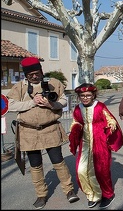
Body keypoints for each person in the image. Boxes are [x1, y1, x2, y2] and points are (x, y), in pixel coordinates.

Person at [6, 57, 79, 209]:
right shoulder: (19, 87)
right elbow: (10, 105)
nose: (34, 76)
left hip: (50, 128)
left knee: (58, 161)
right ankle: (41, 195)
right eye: (30, 74)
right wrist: (32, 102)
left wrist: (52, 104)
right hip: (28, 131)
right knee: (35, 165)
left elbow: (64, 101)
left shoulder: (53, 83)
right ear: (26, 75)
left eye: (36, 72)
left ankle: (69, 190)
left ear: (41, 71)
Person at [69, 83, 123, 209]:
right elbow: (76, 121)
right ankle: (92, 195)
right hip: (85, 143)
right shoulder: (77, 108)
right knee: (81, 170)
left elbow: (111, 120)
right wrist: (75, 128)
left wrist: (111, 126)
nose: (85, 98)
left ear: (93, 95)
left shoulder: (100, 107)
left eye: (88, 95)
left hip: (100, 142)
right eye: (82, 96)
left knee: (101, 171)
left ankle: (107, 194)